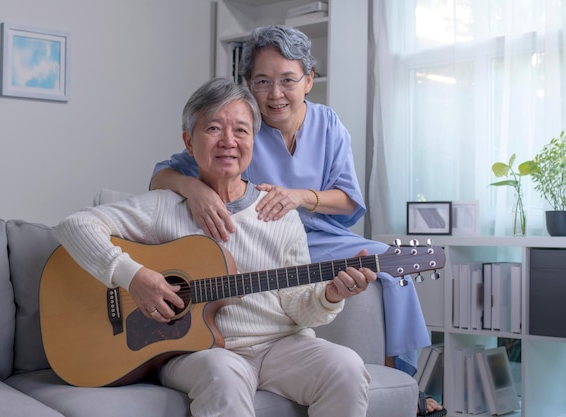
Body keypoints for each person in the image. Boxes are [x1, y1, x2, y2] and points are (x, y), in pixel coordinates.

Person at [150, 24, 445, 416]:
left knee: (389, 269)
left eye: (288, 80)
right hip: (256, 240)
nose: (275, 94)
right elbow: (160, 176)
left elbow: (348, 201)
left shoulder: (329, 124)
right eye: (262, 81)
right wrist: (195, 189)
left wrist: (302, 197)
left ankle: (406, 392)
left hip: (319, 235)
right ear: (248, 84)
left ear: (309, 79)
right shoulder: (240, 130)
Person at [55, 78, 377, 417]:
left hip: (281, 347)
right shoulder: (165, 206)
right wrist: (134, 277)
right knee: (223, 373)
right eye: (213, 128)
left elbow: (299, 309)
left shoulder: (279, 212)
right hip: (198, 352)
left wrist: (331, 295)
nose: (228, 142)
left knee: (347, 366)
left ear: (253, 141)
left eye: (241, 130)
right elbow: (75, 225)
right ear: (189, 143)